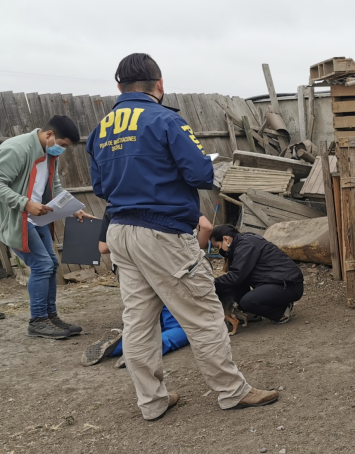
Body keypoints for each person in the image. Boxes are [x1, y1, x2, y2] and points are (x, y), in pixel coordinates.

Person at [87, 52, 278, 421]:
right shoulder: (165, 119)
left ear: (119, 87)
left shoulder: (102, 129)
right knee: (204, 314)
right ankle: (232, 391)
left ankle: (152, 401)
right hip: (162, 232)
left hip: (119, 231)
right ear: (159, 84)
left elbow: (98, 186)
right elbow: (200, 175)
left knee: (138, 320)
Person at [0, 115, 95, 339]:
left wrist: (73, 207)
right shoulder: (17, 148)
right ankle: (38, 321)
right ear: (49, 135)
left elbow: (54, 184)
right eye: (62, 145)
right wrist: (25, 203)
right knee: (42, 265)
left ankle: (50, 316)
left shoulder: (48, 152)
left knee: (51, 263)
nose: (62, 150)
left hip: (38, 218)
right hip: (18, 218)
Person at [82, 210, 211, 367]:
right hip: (168, 266)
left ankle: (122, 346)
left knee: (143, 321)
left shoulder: (115, 205)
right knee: (183, 324)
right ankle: (149, 350)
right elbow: (205, 227)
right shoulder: (172, 196)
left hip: (131, 270)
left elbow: (103, 247)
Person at [210, 224, 304, 324]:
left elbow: (235, 276)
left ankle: (281, 311)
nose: (220, 251)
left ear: (226, 239)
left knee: (248, 302)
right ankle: (252, 313)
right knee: (236, 288)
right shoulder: (241, 243)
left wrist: (209, 283)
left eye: (218, 246)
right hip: (275, 282)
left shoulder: (245, 245)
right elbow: (237, 279)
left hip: (288, 285)